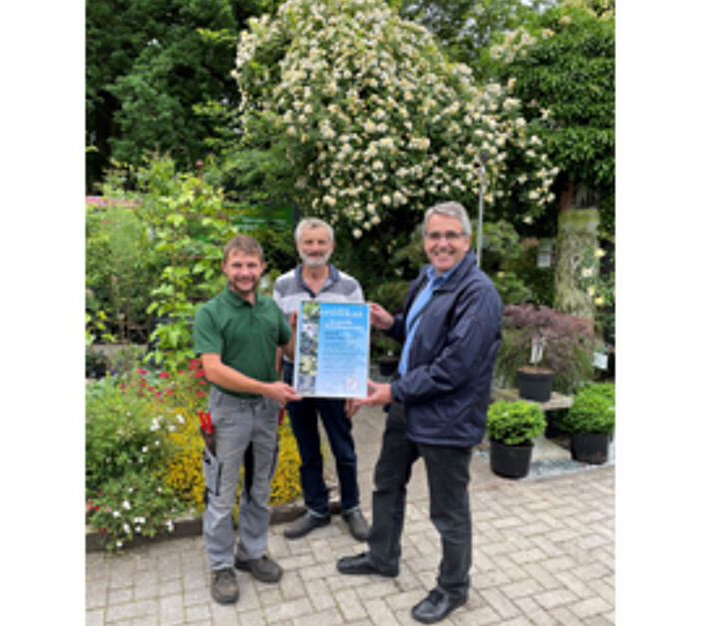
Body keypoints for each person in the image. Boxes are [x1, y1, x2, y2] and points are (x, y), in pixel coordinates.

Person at [336, 201, 504, 624]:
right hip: (408, 405)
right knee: (387, 482)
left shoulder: (478, 293)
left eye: (451, 236)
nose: (441, 243)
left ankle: (453, 588)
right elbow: (420, 334)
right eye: (434, 235)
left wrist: (391, 390)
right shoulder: (428, 279)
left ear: (467, 240)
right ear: (425, 241)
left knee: (448, 510)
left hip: (447, 416)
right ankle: (382, 556)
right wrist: (389, 324)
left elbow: (455, 366)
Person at [193, 234, 302, 605]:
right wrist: (266, 387)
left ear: (261, 268)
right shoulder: (211, 313)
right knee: (221, 494)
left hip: (266, 412)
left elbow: (291, 350)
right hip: (229, 411)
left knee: (259, 488)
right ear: (225, 267)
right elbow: (213, 370)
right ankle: (222, 565)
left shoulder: (270, 309)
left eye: (251, 265)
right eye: (237, 265)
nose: (244, 272)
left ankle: (251, 553)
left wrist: (300, 328)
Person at [273, 217, 370, 541]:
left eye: (321, 242)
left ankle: (352, 507)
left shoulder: (350, 287)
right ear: (298, 246)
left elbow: (357, 340)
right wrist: (276, 381)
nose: (315, 249)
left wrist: (356, 388)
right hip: (297, 376)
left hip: (336, 377)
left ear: (331, 246)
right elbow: (278, 341)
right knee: (307, 447)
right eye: (308, 242)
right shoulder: (283, 285)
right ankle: (316, 509)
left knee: (343, 447)